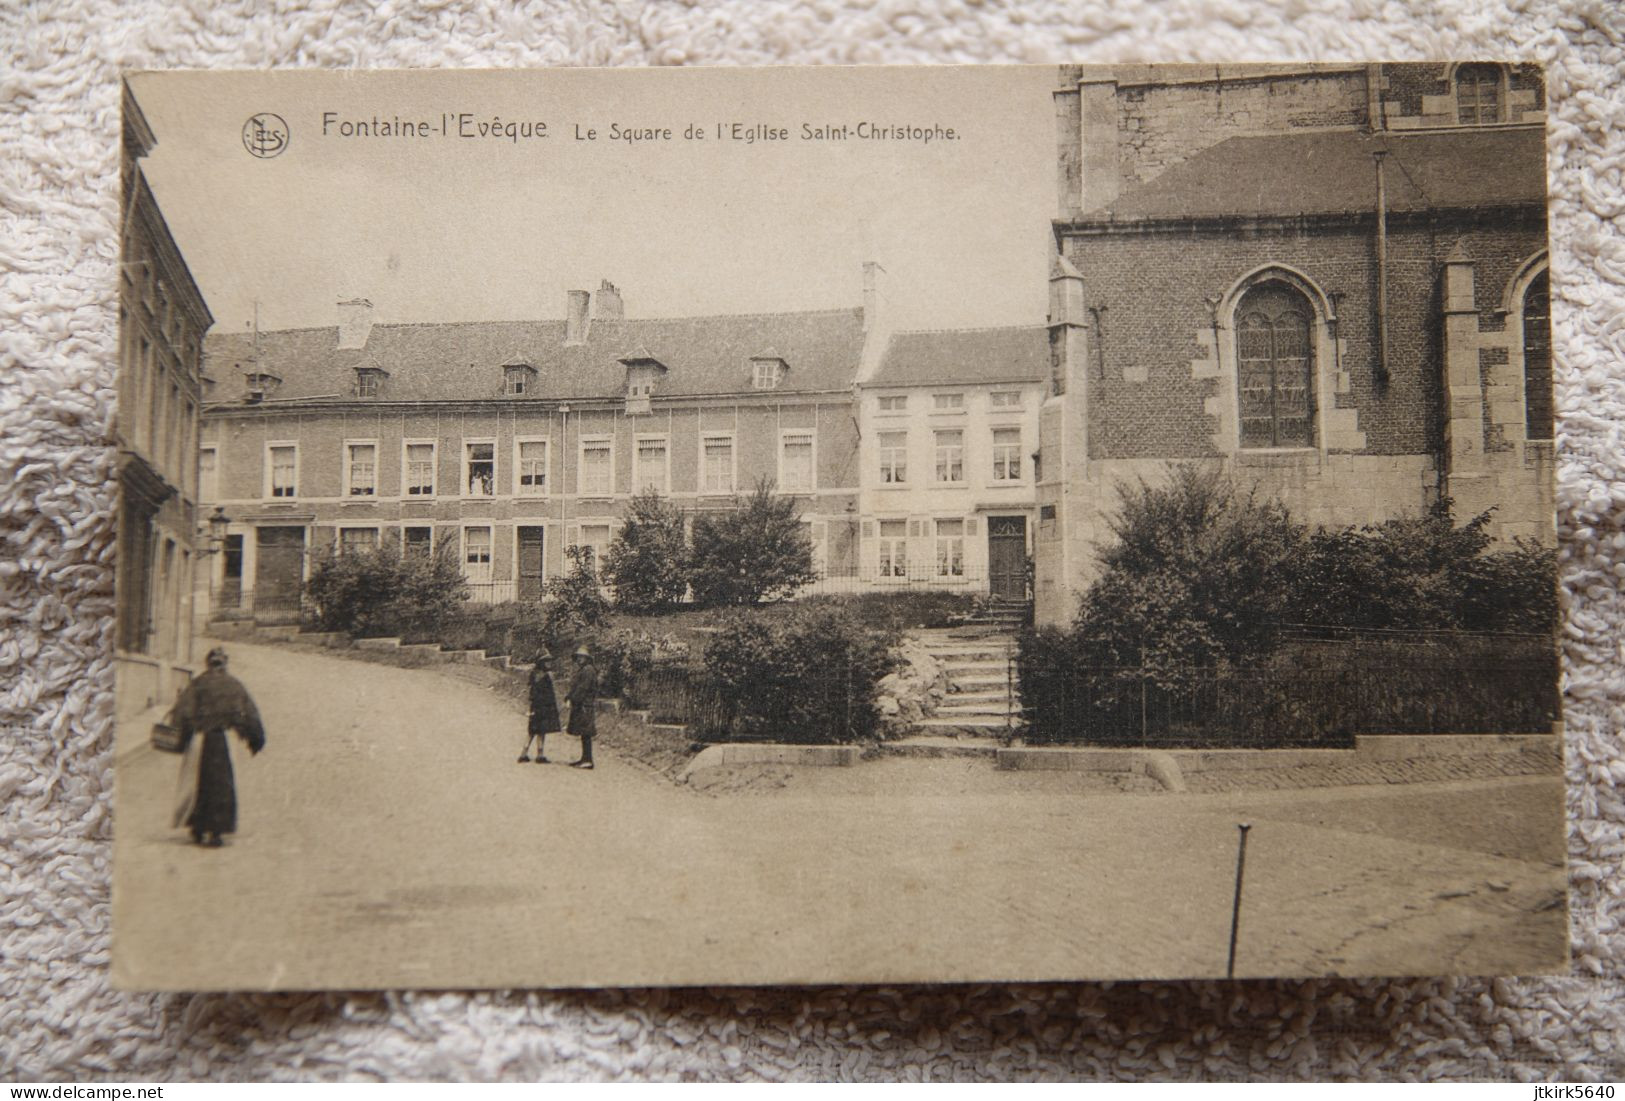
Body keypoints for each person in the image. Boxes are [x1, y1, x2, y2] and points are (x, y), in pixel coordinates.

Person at [169, 647, 266, 848]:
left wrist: (181, 737)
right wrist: (255, 739)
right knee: (222, 785)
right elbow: (249, 713)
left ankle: (197, 827)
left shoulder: (198, 684)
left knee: (195, 784)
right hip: (224, 740)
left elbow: (182, 712)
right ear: (224, 664)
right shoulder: (233, 685)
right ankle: (216, 831)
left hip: (200, 740)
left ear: (208, 663)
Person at [518, 649, 562, 764]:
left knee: (534, 731)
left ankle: (526, 753)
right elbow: (545, 694)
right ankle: (537, 754)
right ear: (541, 662)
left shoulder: (534, 674)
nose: (549, 663)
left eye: (549, 661)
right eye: (546, 661)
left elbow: (532, 693)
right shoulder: (545, 676)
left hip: (536, 706)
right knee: (539, 731)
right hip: (542, 707)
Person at [564, 645, 598, 770]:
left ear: (587, 658)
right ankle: (584, 758)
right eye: (578, 657)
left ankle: (588, 760)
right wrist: (569, 696)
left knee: (586, 733)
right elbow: (576, 687)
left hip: (585, 706)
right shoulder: (584, 670)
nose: (579, 659)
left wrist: (572, 699)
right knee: (584, 734)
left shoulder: (588, 670)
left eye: (582, 657)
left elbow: (582, 688)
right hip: (582, 705)